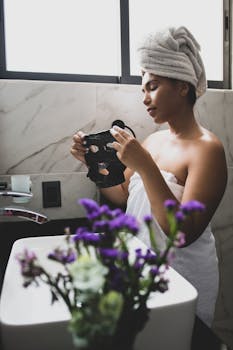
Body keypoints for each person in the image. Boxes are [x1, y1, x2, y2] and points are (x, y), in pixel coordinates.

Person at [70, 26, 227, 334]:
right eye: (143, 89)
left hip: (184, 276)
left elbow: (182, 233)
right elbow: (123, 196)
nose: (145, 98)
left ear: (182, 86)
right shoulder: (154, 141)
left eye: (152, 86)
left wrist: (146, 166)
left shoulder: (208, 150)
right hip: (140, 271)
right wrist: (93, 165)